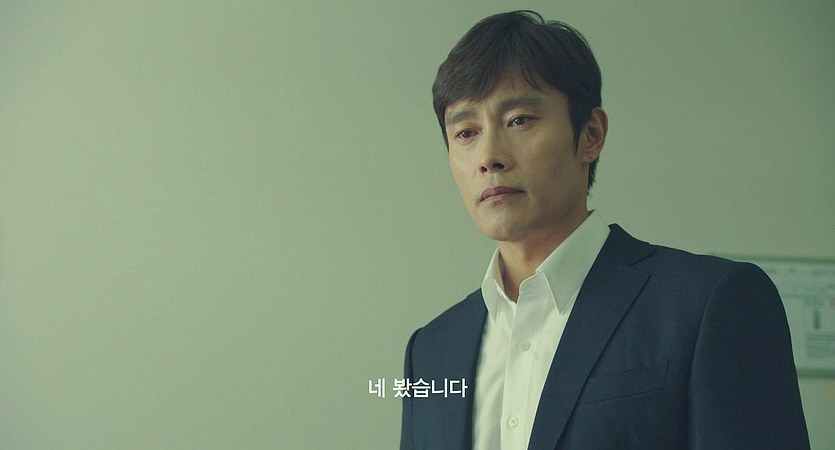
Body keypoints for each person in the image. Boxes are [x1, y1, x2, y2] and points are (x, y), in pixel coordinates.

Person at [399, 10, 809, 450]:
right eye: (465, 132)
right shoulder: (431, 351)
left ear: (591, 135)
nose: (488, 157)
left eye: (519, 120)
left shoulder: (708, 303)